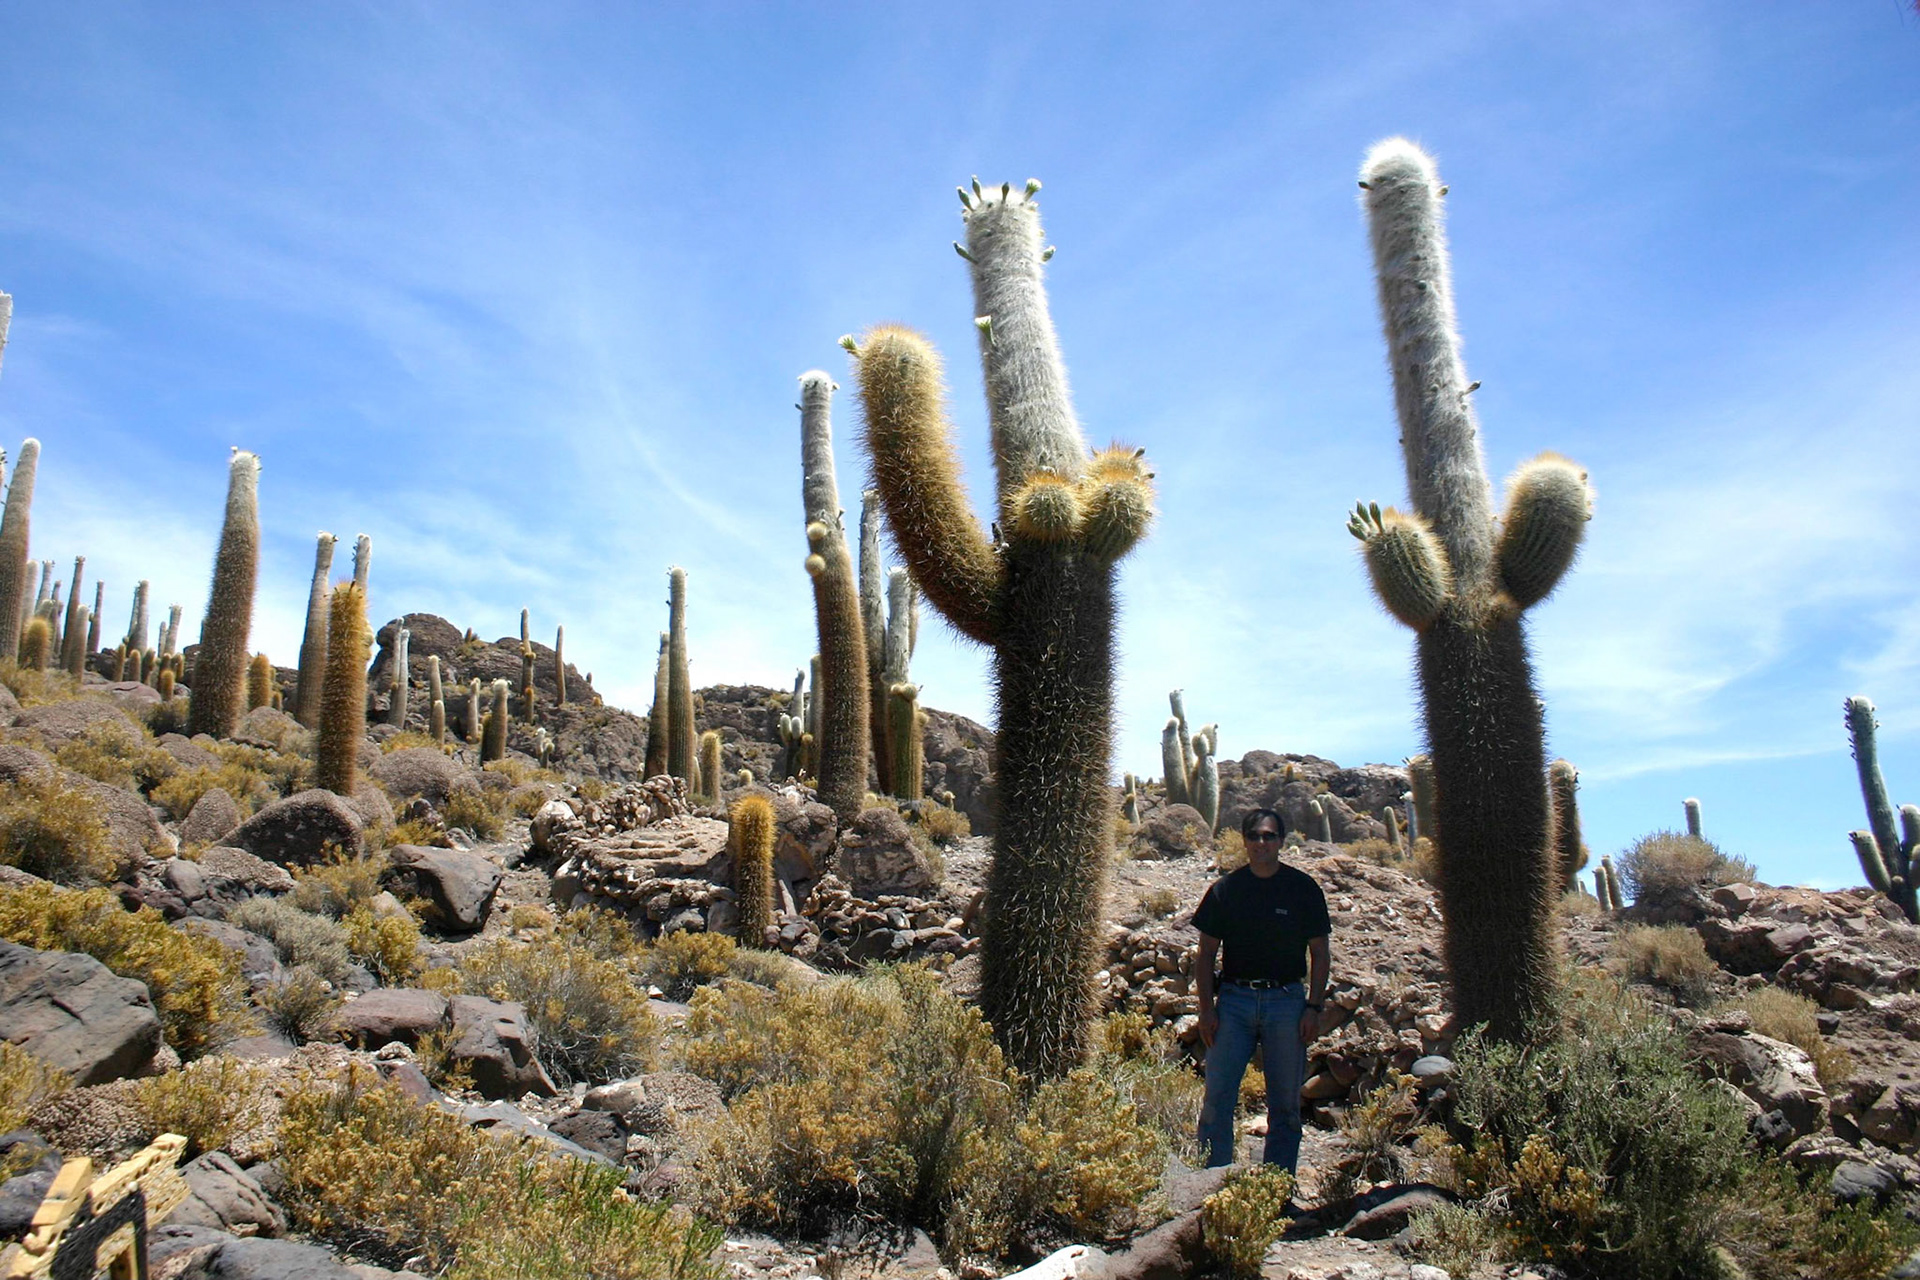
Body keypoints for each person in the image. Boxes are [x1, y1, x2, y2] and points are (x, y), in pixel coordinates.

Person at [1192, 807, 1331, 1171]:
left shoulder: (1302, 889)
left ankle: (1276, 1186)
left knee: (1284, 1104)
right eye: (1254, 836)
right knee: (1217, 1099)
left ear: (1281, 841)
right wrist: (1206, 1009)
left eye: (1269, 836)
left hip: (1286, 1002)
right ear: (1244, 841)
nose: (1261, 843)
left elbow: (1320, 952)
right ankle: (1212, 1184)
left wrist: (1313, 1007)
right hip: (1234, 1002)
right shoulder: (1226, 890)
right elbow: (1205, 954)